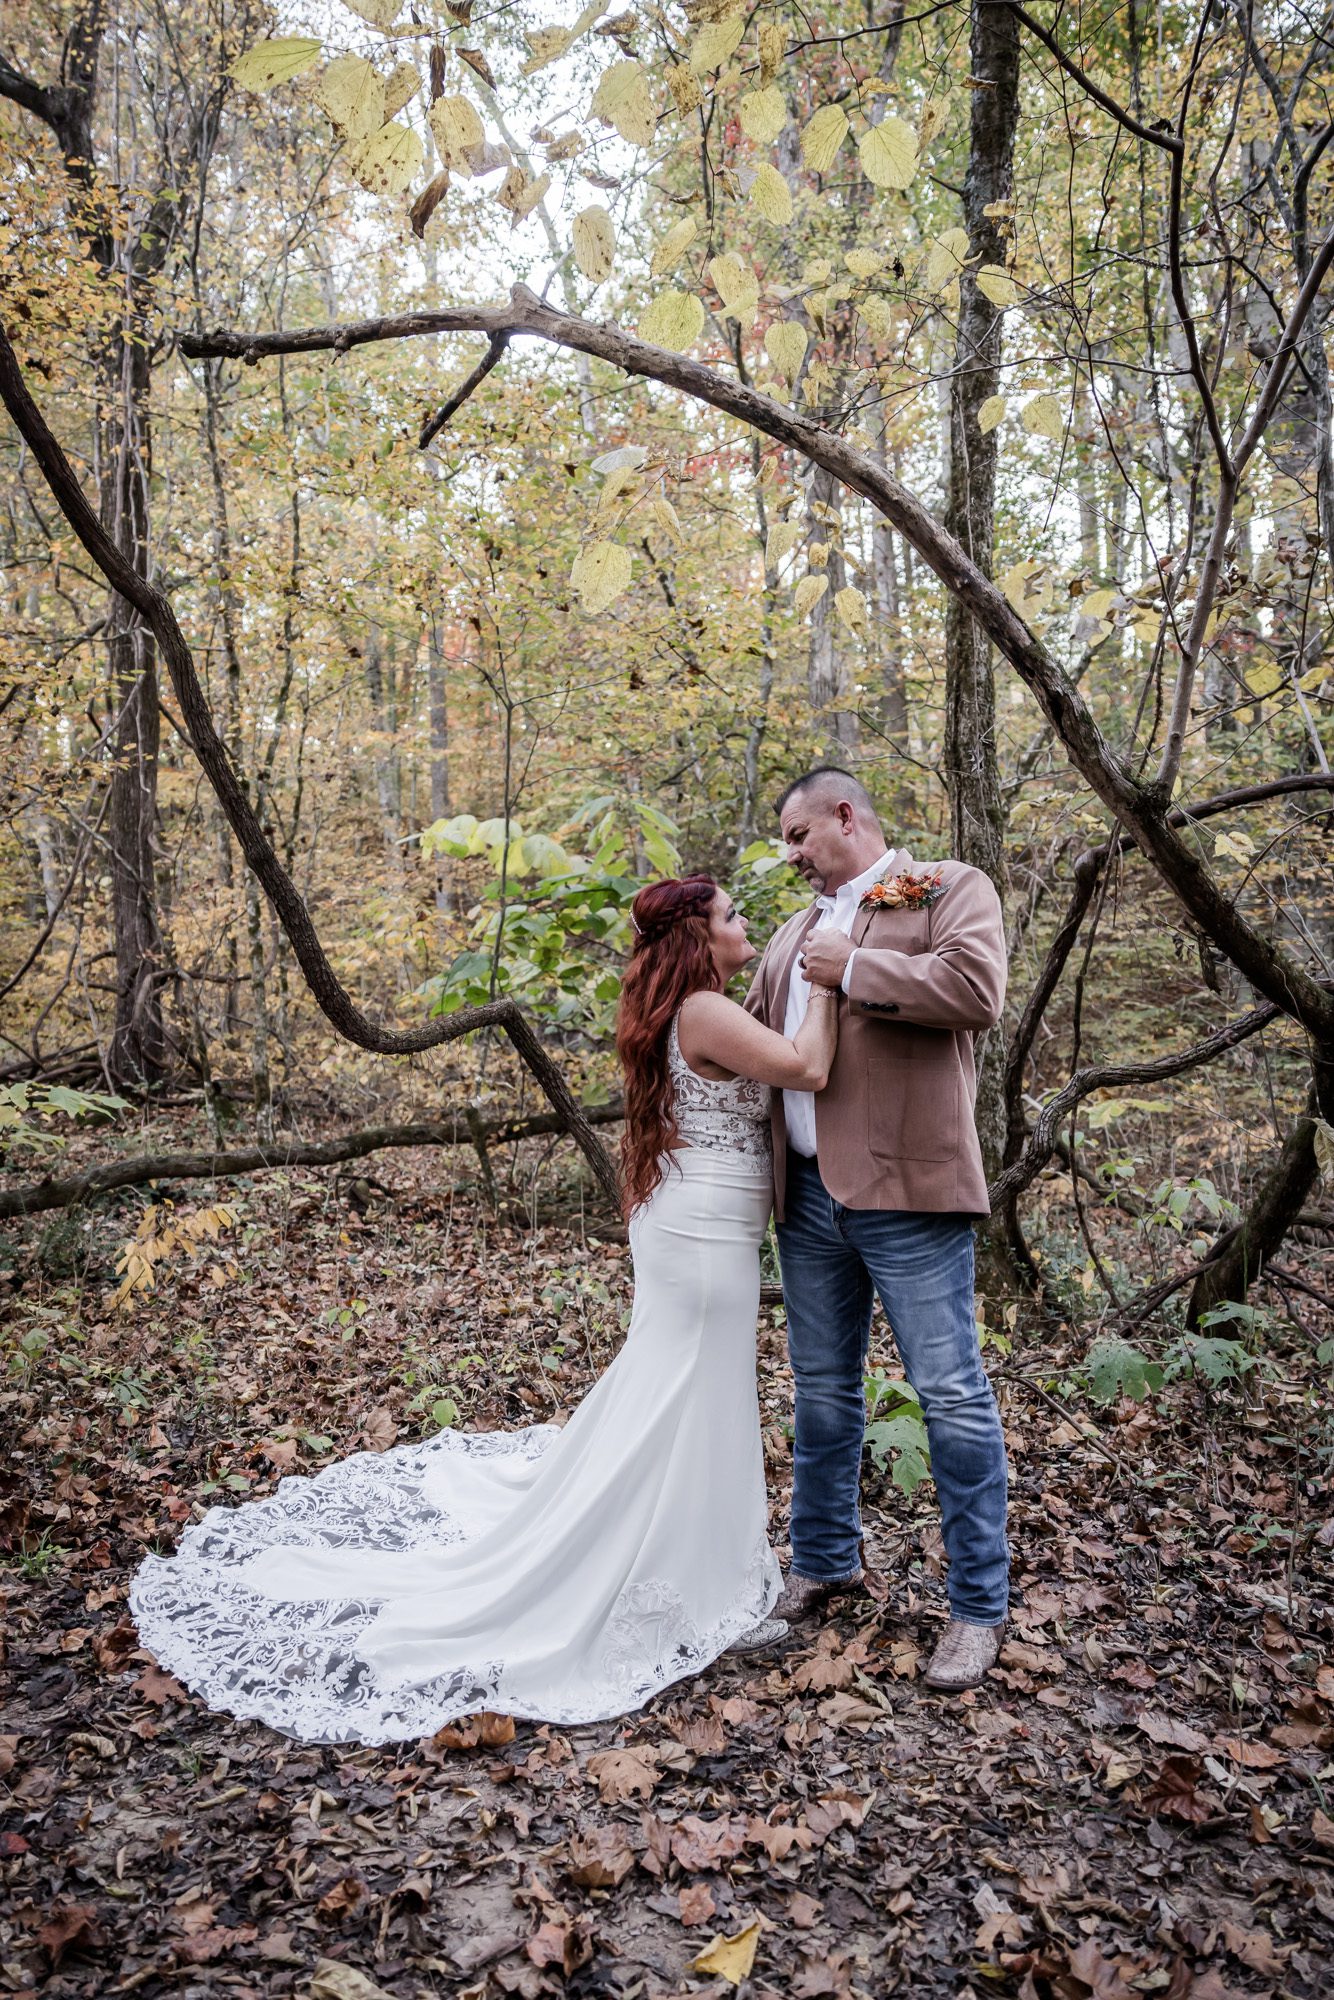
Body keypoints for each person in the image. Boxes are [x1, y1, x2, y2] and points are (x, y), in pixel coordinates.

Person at [129, 872, 839, 1744]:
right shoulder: (704, 1009)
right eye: (732, 917)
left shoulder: (694, 1008)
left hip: (700, 1227)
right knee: (689, 1401)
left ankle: (700, 1572)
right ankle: (688, 1585)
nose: (745, 926)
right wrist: (835, 980)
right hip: (699, 1240)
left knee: (686, 1398)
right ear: (698, 937)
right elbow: (806, 1064)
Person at [745, 767, 1011, 1692]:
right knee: (821, 1395)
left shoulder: (948, 890)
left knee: (951, 1394)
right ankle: (823, 1560)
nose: (791, 857)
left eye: (797, 836)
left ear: (844, 817)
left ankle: (978, 1609)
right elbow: (752, 1051)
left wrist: (854, 969)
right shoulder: (786, 935)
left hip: (910, 1194)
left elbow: (977, 990)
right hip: (808, 1201)